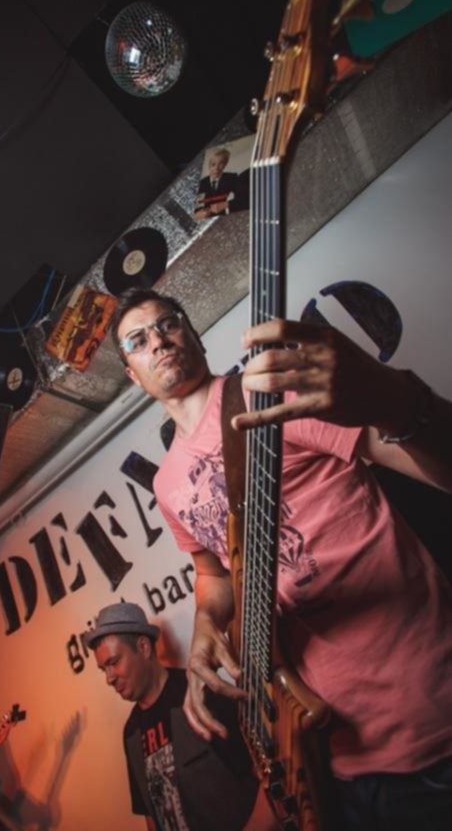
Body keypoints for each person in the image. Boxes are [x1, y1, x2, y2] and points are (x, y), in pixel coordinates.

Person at [110, 286, 452, 831]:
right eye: (137, 339)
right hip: (331, 750)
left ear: (192, 335)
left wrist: (399, 400)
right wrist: (205, 624)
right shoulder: (166, 483)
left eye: (168, 323)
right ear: (133, 375)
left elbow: (430, 462)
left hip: (429, 713)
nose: (158, 340)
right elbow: (211, 569)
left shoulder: (269, 393)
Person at [85, 602, 275, 831]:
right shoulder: (131, 733)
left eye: (114, 663)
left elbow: (270, 775)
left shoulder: (201, 693)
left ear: (143, 647)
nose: (109, 678)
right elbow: (151, 815)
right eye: (103, 669)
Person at [193, 148, 240, 220]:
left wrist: (226, 204)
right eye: (213, 164)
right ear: (208, 165)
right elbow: (197, 209)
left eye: (221, 164)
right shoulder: (201, 183)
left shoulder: (232, 178)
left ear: (225, 164)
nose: (216, 168)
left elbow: (243, 198)